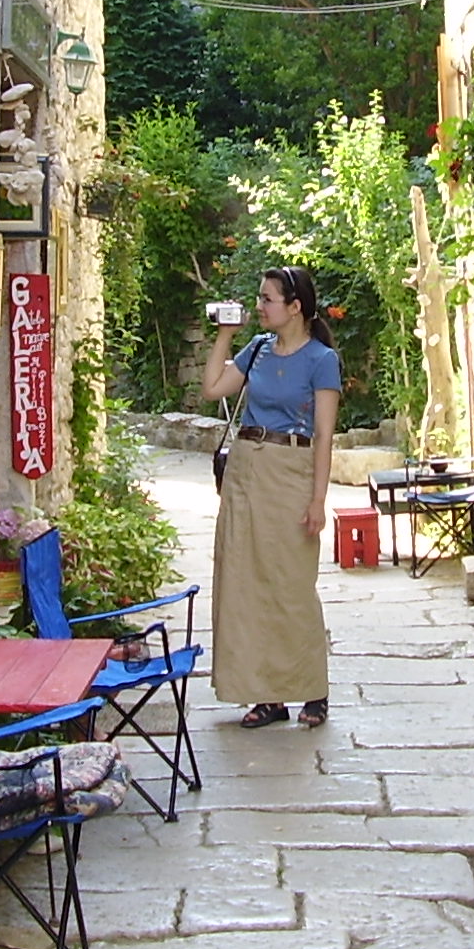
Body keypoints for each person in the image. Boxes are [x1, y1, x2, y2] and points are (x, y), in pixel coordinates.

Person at [200, 265, 341, 728]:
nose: (259, 306)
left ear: (295, 306)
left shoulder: (321, 359)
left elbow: (324, 436)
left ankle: (312, 689)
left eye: (267, 299)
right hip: (246, 470)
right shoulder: (258, 349)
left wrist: (318, 500)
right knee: (244, 584)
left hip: (291, 470)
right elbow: (212, 389)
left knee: (291, 584)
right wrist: (225, 335)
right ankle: (267, 695)